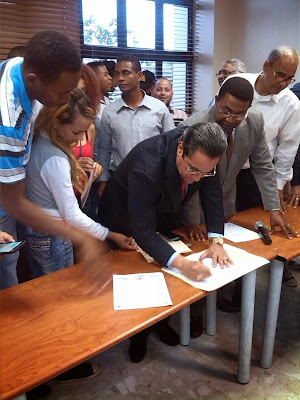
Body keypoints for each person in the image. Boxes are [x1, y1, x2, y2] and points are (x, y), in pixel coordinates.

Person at [19, 88, 136, 385]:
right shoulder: (54, 157)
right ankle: (60, 365)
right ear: (57, 121)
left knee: (52, 296)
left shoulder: (43, 141)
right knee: (59, 302)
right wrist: (109, 234)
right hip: (51, 236)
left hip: (42, 232)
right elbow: (71, 216)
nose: (79, 140)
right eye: (76, 131)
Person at [101, 122, 231, 363]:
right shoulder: (147, 164)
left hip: (163, 210)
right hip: (124, 218)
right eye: (193, 170)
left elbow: (212, 196)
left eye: (205, 172)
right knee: (139, 277)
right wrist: (182, 264)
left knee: (164, 273)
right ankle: (138, 336)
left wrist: (216, 240)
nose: (198, 178)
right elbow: (142, 229)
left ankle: (161, 323)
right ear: (180, 149)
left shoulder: (206, 156)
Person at [180, 76, 299, 311]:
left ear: (249, 109)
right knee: (196, 255)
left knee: (222, 254)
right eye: (226, 110)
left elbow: (263, 165)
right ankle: (195, 315)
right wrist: (193, 220)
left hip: (226, 201)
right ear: (217, 100)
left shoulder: (254, 122)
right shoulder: (193, 125)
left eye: (239, 114)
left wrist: (273, 208)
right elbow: (184, 178)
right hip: (194, 201)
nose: (231, 119)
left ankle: (217, 303)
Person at [0, 30, 87, 292]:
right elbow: (14, 202)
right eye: (63, 92)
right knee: (7, 270)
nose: (68, 99)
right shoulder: (9, 123)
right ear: (33, 80)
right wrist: (84, 237)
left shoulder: (18, 65)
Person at [232, 45, 300, 287]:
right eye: (280, 75)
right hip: (224, 168)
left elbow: (287, 149)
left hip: (257, 173)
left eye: (290, 78)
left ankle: (247, 284)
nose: (284, 83)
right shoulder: (237, 83)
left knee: (253, 228)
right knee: (221, 222)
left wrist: (278, 189)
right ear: (266, 66)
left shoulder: (291, 104)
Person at [97, 55, 175, 197]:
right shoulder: (110, 112)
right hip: (120, 180)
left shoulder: (159, 108)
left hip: (153, 180)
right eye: (117, 74)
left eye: (126, 73)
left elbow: (171, 146)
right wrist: (103, 180)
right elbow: (104, 149)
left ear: (139, 76)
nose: (120, 78)